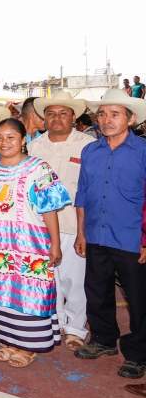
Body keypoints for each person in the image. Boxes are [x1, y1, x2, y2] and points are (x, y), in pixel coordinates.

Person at [0, 118, 71, 367]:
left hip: (31, 242)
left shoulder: (38, 168)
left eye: (11, 137)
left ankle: (27, 346)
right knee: (2, 292)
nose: (4, 142)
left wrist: (54, 244)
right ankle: (7, 340)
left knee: (30, 293)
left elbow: (50, 210)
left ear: (23, 140)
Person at [74, 88, 146, 380]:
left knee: (139, 300)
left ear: (129, 119)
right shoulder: (91, 150)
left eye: (115, 114)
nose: (106, 120)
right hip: (96, 235)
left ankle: (139, 354)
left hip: (131, 239)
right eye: (102, 114)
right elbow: (82, 195)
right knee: (97, 291)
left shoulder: (142, 151)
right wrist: (81, 233)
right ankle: (103, 339)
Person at [29, 91, 93, 351]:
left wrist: (83, 232)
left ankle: (77, 328)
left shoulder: (87, 145)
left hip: (73, 225)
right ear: (44, 118)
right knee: (48, 280)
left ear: (73, 117)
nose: (56, 119)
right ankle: (54, 324)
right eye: (51, 114)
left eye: (63, 113)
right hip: (40, 227)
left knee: (75, 280)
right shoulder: (34, 146)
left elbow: (89, 190)